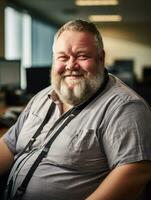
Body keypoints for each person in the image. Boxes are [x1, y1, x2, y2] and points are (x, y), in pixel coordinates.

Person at [0, 19, 151, 200]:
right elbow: (9, 145)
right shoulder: (42, 97)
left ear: (101, 58)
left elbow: (135, 172)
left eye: (82, 56)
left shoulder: (124, 107)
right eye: (62, 57)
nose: (71, 65)